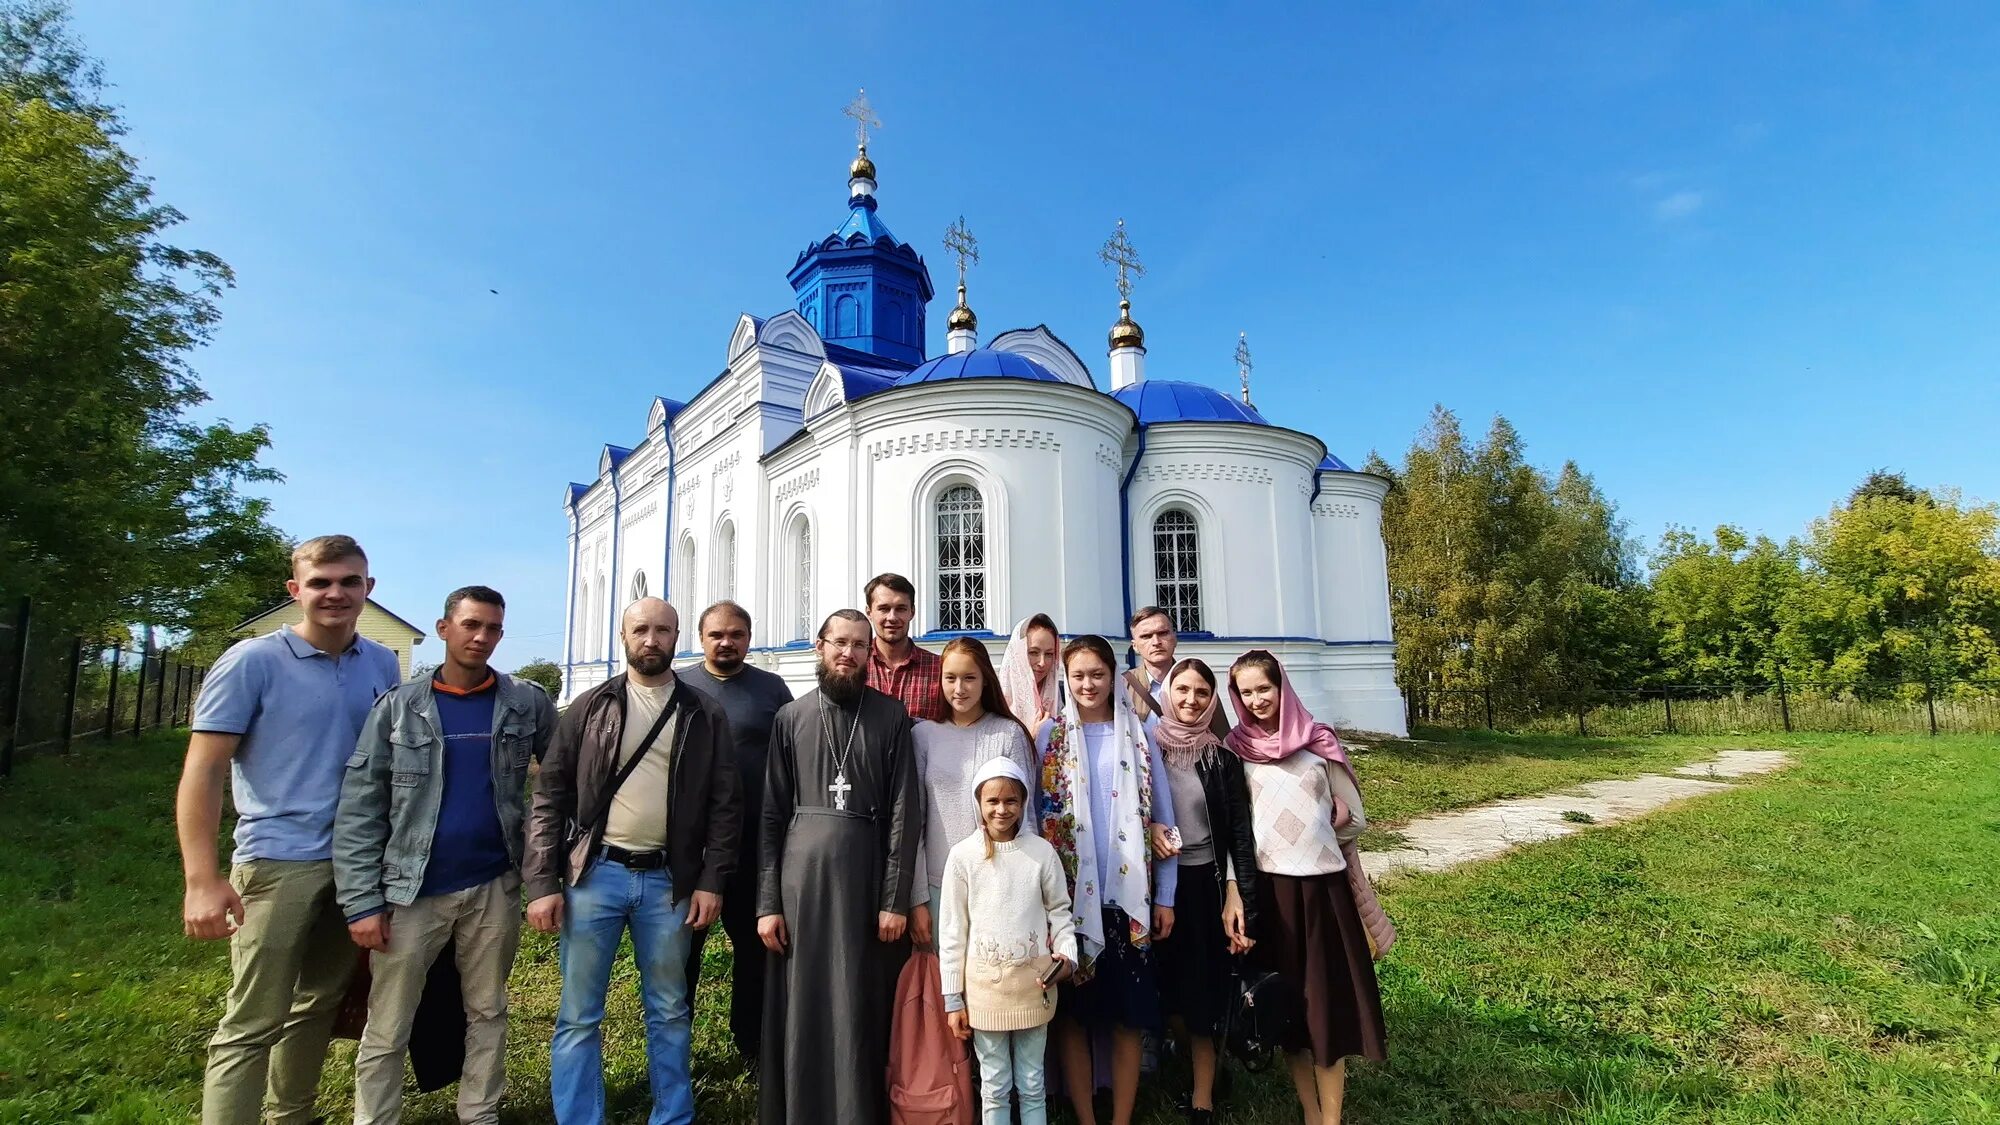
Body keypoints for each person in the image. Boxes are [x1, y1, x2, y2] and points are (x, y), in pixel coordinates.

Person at [177, 534, 402, 1125]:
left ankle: (291, 1116)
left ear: (368, 589)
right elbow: (202, 771)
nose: (335, 593)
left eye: (349, 582)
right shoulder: (253, 661)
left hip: (357, 865)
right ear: (295, 589)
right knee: (253, 1019)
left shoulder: (381, 662)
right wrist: (201, 879)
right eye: (321, 582)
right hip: (278, 861)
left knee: (319, 1005)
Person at [333, 585, 557, 1124]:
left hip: (492, 885)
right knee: (389, 1018)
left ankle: (478, 1112)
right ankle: (375, 1117)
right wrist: (362, 902)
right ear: (444, 628)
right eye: (471, 625)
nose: (482, 637)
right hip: (412, 890)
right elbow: (361, 808)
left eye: (493, 629)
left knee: (487, 1009)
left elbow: (565, 777)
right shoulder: (398, 709)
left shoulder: (524, 703)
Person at [523, 597, 742, 1125]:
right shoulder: (590, 706)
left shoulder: (702, 713)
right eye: (641, 630)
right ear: (623, 636)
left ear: (676, 636)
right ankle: (579, 1118)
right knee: (578, 1014)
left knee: (668, 1010)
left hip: (669, 881)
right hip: (595, 875)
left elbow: (724, 804)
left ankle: (673, 1115)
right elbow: (549, 795)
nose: (651, 640)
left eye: (662, 631)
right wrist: (541, 882)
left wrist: (712, 880)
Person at [757, 609, 922, 1125]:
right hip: (800, 887)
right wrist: (767, 904)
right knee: (804, 998)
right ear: (819, 647)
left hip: (866, 882)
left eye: (858, 645)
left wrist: (894, 900)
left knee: (860, 997)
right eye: (838, 643)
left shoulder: (891, 716)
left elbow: (904, 813)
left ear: (869, 653)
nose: (847, 654)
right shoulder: (790, 718)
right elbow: (769, 814)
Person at [1225, 650, 1386, 1125]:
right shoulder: (1237, 749)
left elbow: (1356, 818)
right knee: (1288, 1011)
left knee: (1326, 1010)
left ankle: (1331, 1119)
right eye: (1246, 692)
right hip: (1272, 894)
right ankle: (1311, 1113)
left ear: (1282, 687)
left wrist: (1337, 816)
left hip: (1322, 893)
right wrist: (1236, 890)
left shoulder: (1319, 742)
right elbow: (1239, 833)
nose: (1256, 700)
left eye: (1264, 689)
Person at [1036, 635, 1179, 1125]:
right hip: (1068, 899)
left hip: (1127, 898)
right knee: (1074, 1016)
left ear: (1114, 676)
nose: (1088, 684)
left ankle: (1121, 1118)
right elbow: (1036, 819)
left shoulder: (1137, 734)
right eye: (1078, 675)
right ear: (1065, 679)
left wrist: (1166, 894)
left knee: (1126, 1016)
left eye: (1097, 674)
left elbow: (1163, 815)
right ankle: (1085, 1115)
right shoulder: (1049, 737)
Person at [678, 599, 794, 1068]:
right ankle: (674, 1048)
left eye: (736, 635)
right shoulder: (680, 686)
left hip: (753, 844)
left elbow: (790, 754)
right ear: (701, 639)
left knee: (753, 950)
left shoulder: (771, 689)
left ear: (748, 638)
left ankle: (752, 1042)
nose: (726, 642)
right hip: (692, 847)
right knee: (682, 952)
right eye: (716, 635)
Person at [938, 757, 1079, 1125]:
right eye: (993, 801)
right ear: (979, 804)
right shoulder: (963, 858)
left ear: (1023, 803)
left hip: (1035, 990)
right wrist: (953, 998)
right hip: (985, 996)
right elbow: (952, 931)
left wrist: (1066, 955)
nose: (1002, 810)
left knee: (1032, 1082)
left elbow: (1060, 912)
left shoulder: (1040, 853)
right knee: (994, 1084)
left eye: (1011, 801)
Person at [1149, 658, 1259, 1125]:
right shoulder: (1143, 745)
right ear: (1168, 692)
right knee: (1164, 988)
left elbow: (1238, 833)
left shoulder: (1221, 757)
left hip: (1204, 884)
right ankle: (1201, 1067)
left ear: (1211, 699)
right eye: (1182, 690)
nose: (1190, 701)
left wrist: (1236, 894)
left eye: (1200, 692)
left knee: (1201, 991)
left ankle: (1202, 1100)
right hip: (1155, 884)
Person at [909, 636, 1038, 949]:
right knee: (945, 992)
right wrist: (916, 899)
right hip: (937, 887)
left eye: (969, 678)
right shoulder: (923, 735)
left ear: (985, 680)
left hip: (998, 885)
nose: (959, 688)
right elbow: (914, 824)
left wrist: (1029, 893)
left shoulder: (1009, 733)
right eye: (950, 678)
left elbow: (1026, 817)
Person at [1123, 609, 1229, 743]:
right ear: (1135, 646)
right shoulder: (1122, 686)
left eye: (1163, 633)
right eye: (1146, 636)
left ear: (1175, 638)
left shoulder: (1199, 679)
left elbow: (1222, 736)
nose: (1156, 642)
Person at [863, 572, 946, 722]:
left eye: (901, 608)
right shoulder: (857, 665)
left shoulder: (939, 668)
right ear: (869, 612)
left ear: (912, 612)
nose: (892, 617)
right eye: (884, 608)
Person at [998, 614, 1063, 732]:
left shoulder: (1061, 698)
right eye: (1033, 652)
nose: (1042, 663)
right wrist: (1033, 737)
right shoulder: (995, 702)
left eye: (1049, 654)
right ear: (1017, 654)